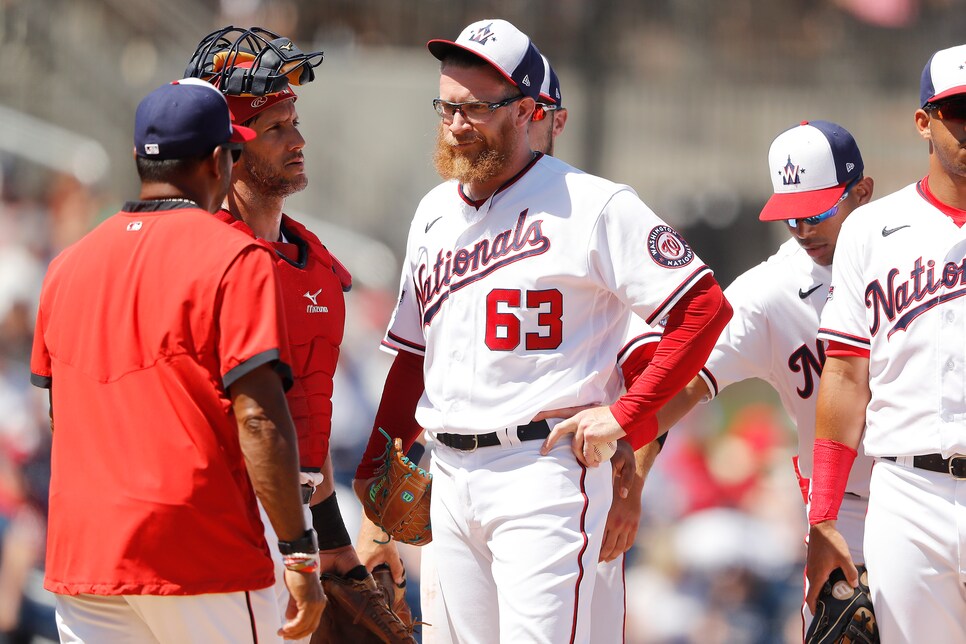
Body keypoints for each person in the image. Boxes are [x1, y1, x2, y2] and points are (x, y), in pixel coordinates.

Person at [352, 18, 732, 642]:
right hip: (447, 473)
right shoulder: (433, 213)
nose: (455, 123)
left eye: (474, 108)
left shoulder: (594, 204)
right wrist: (373, 482)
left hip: (544, 469)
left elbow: (703, 310)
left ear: (528, 111)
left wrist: (627, 419)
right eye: (446, 106)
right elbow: (414, 358)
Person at [28, 79, 324, 642]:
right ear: (219, 161)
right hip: (200, 558)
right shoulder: (236, 257)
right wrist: (298, 552)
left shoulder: (65, 267)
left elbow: (60, 418)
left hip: (85, 560)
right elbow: (259, 418)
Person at [182, 28, 411, 643]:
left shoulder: (314, 261)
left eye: (295, 120)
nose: (299, 140)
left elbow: (305, 434)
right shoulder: (194, 257)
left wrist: (334, 544)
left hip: (295, 526)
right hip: (217, 526)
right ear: (229, 143)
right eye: (276, 126)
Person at [634, 119, 875, 634]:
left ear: (863, 191)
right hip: (845, 513)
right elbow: (684, 383)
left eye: (818, 211)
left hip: (934, 485)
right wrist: (634, 471)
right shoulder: (770, 291)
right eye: (791, 216)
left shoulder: (912, 254)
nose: (803, 228)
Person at [806, 43, 966, 642]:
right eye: (958, 110)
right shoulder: (872, 230)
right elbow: (846, 375)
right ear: (924, 121)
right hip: (908, 495)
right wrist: (823, 516)